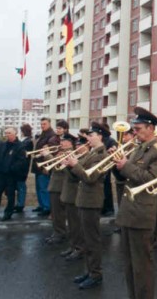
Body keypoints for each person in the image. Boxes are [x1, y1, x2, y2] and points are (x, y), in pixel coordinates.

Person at [114, 107, 157, 299]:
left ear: (151, 128)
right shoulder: (138, 148)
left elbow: (150, 178)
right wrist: (117, 164)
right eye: (134, 129)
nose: (134, 133)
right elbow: (125, 176)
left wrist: (125, 166)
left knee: (142, 266)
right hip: (129, 211)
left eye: (138, 129)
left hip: (141, 214)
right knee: (129, 265)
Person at [65, 122, 110, 290]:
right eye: (88, 136)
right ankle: (89, 270)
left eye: (91, 135)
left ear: (100, 136)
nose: (88, 138)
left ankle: (96, 274)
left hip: (92, 201)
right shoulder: (92, 152)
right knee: (86, 238)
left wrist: (74, 165)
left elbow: (90, 178)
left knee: (92, 240)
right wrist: (71, 165)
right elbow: (78, 174)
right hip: (83, 199)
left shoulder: (102, 155)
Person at [0, 127, 27, 222]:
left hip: (11, 175)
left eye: (9, 133)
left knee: (10, 195)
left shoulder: (20, 146)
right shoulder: (3, 145)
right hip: (0, 174)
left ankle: (8, 214)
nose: (7, 135)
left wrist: (11, 169)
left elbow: (21, 161)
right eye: (6, 133)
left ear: (15, 134)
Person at [45, 132, 77, 245]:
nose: (61, 143)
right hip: (55, 185)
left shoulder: (70, 154)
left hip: (60, 186)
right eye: (61, 141)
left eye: (64, 141)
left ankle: (60, 233)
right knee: (55, 212)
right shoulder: (62, 152)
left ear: (70, 143)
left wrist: (47, 155)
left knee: (59, 212)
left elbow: (58, 168)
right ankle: (57, 232)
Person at [60, 135, 86, 262]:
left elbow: (76, 177)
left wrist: (70, 165)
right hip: (69, 193)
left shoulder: (84, 158)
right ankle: (73, 246)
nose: (79, 147)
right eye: (78, 145)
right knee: (71, 223)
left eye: (81, 145)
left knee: (76, 224)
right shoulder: (77, 157)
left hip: (75, 193)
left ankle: (79, 248)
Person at [32, 118, 59, 216]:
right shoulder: (43, 134)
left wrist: (46, 166)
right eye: (41, 124)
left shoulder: (51, 135)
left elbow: (50, 152)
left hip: (44, 165)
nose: (42, 126)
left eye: (44, 124)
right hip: (38, 165)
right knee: (39, 187)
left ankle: (46, 207)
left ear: (49, 124)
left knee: (44, 187)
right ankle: (41, 205)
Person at [111, 127, 136, 234]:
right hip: (120, 179)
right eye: (123, 135)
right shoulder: (122, 147)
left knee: (127, 204)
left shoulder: (134, 149)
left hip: (128, 180)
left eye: (126, 135)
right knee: (121, 203)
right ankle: (121, 224)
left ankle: (126, 225)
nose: (124, 137)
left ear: (132, 136)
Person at [15, 124, 34, 213]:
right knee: (19, 185)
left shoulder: (28, 141)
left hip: (23, 167)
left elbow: (24, 153)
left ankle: (20, 204)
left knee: (21, 185)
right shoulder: (25, 140)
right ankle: (19, 203)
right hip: (21, 166)